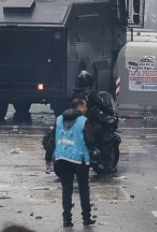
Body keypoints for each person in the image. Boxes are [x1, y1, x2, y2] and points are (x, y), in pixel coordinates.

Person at [47, 97, 97, 228]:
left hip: (62, 159)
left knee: (67, 190)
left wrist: (48, 157)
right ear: (79, 107)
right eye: (85, 106)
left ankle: (67, 220)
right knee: (83, 188)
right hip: (79, 159)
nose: (86, 109)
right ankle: (86, 218)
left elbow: (51, 139)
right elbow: (90, 140)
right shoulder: (83, 121)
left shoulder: (59, 120)